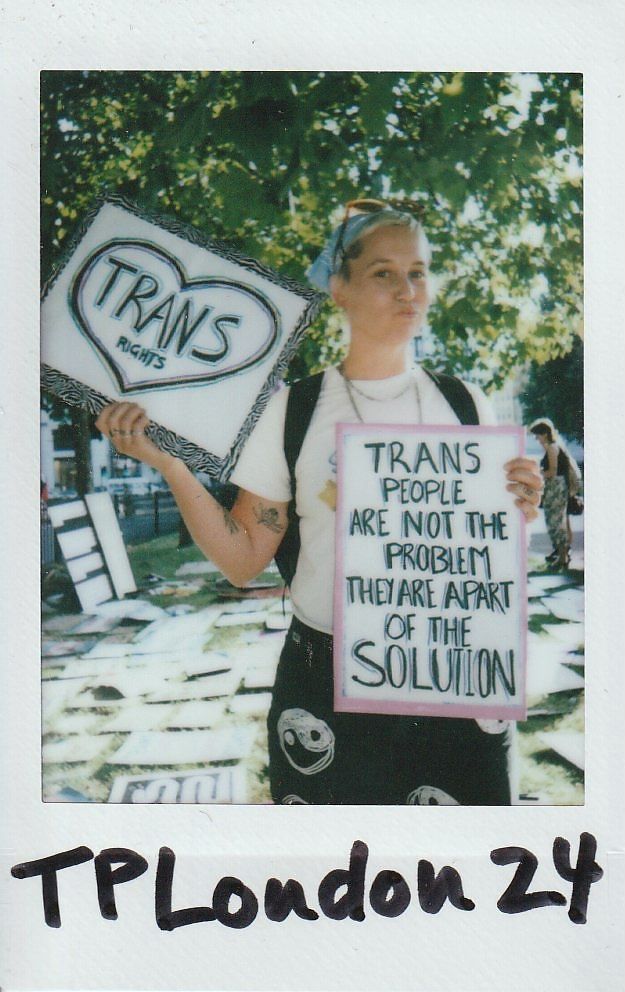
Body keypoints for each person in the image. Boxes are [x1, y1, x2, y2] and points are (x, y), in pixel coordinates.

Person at [96, 199, 542, 806]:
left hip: (454, 680)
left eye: (418, 271)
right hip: (327, 689)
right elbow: (243, 558)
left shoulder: (467, 404)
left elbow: (477, 555)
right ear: (339, 288)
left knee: (455, 879)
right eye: (384, 272)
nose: (407, 289)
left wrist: (519, 508)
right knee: (334, 874)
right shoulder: (293, 412)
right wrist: (171, 464)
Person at [529, 418, 579, 570]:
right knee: (558, 522)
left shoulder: (551, 448)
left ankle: (562, 558)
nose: (536, 439)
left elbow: (553, 471)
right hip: (557, 488)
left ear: (544, 434)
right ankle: (562, 555)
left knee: (555, 522)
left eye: (537, 435)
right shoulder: (554, 446)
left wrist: (537, 473)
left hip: (556, 488)